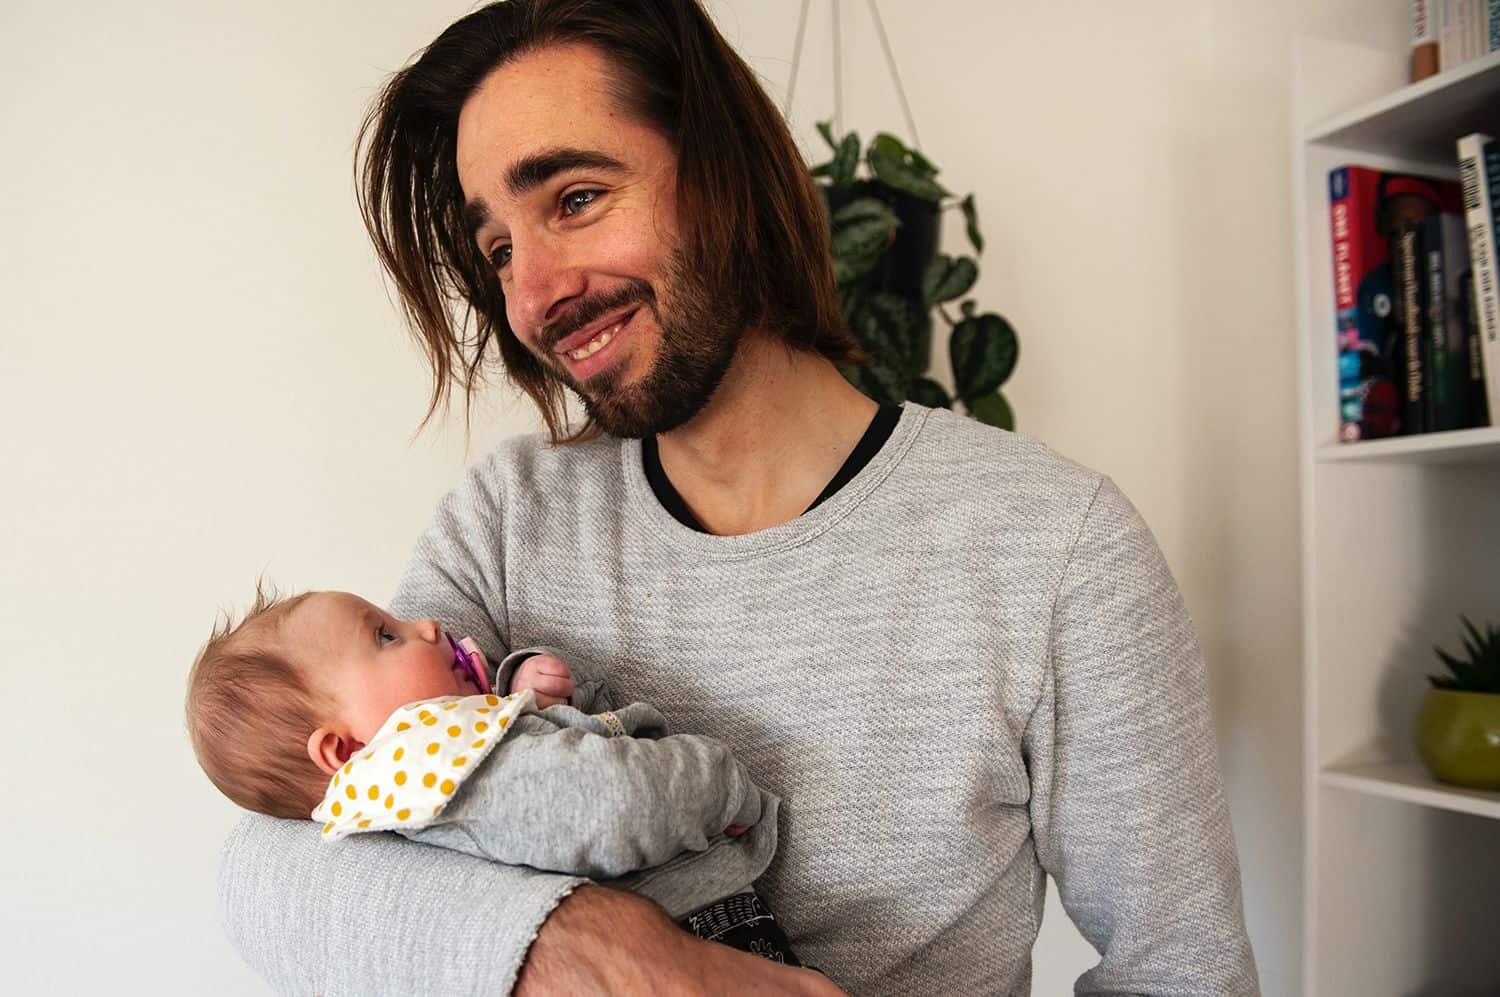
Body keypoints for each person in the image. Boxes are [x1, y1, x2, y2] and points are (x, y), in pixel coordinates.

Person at [218, 1, 1261, 993]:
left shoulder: (1052, 545)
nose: (533, 295)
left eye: (576, 199)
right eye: (499, 249)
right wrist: (629, 961)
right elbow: (278, 867)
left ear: (722, 177)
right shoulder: (506, 519)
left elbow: (1183, 973)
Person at [186, 588, 805, 965]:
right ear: (345, 749)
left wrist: (515, 690)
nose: (426, 627)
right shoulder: (461, 775)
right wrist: (727, 785)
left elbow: (546, 763)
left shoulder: (433, 770)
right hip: (699, 934)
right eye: (385, 636)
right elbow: (620, 805)